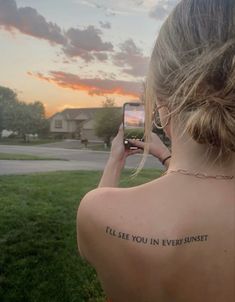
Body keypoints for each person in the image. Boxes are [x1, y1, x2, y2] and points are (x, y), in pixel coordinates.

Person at [77, 0, 235, 301]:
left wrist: (115, 160)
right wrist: (165, 156)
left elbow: (91, 249)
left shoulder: (96, 213)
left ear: (161, 106)